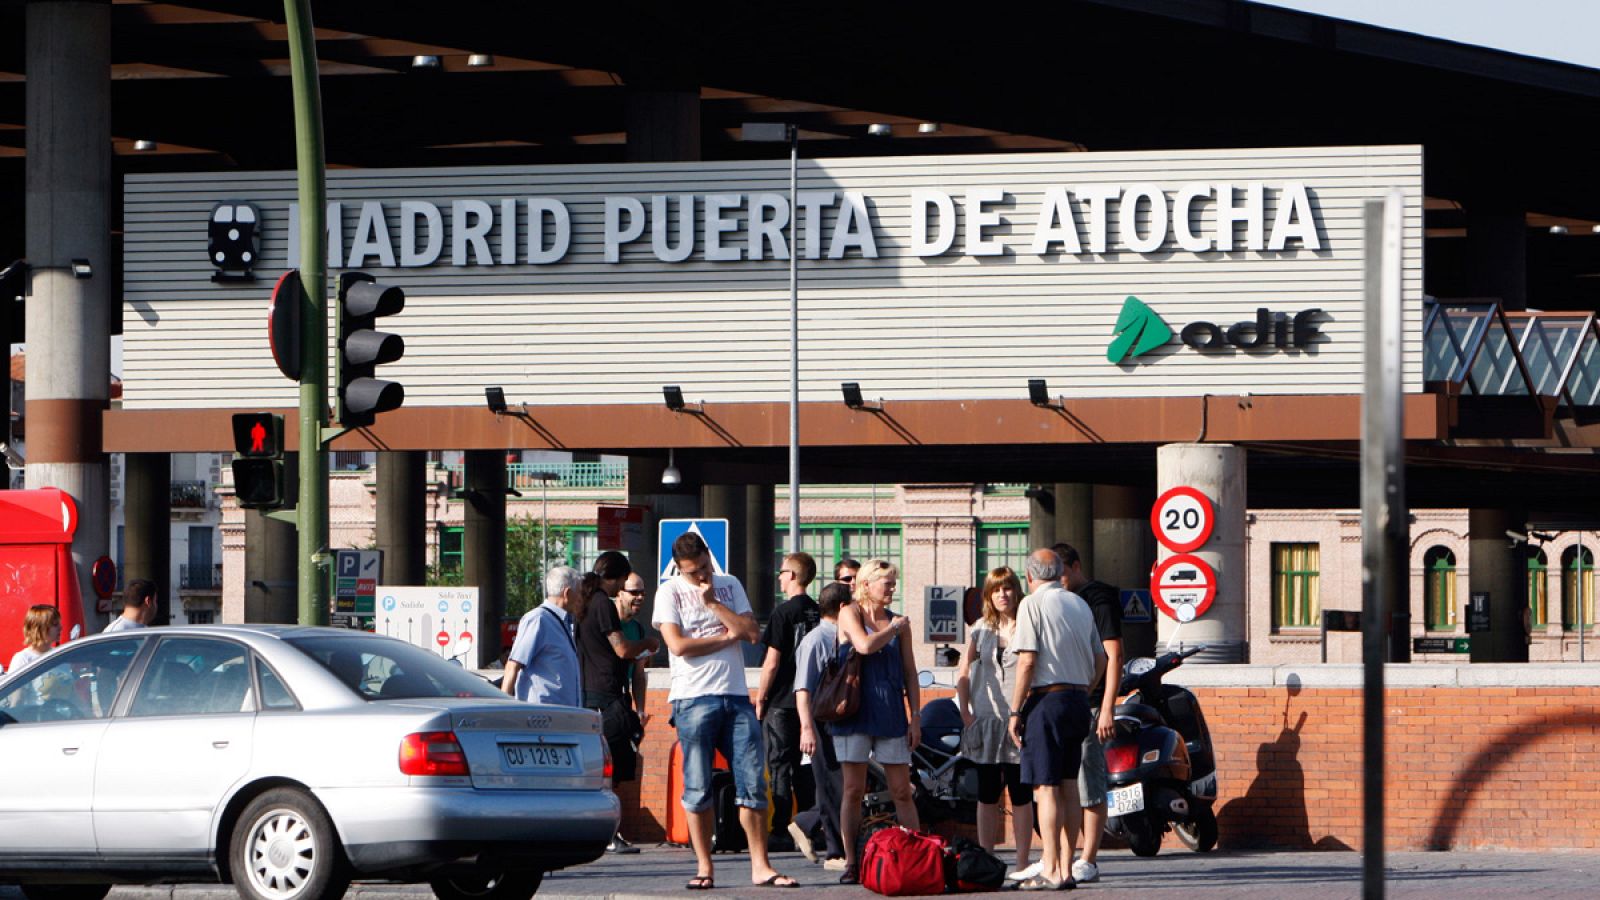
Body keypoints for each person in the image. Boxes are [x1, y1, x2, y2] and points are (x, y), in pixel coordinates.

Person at [652, 531, 797, 890]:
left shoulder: (729, 584)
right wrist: (727, 635)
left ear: (709, 556)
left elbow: (752, 633)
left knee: (753, 784)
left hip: (734, 696)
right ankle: (704, 867)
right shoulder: (668, 590)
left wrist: (715, 604)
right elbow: (678, 645)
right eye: (691, 572)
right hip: (692, 697)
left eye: (703, 567)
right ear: (678, 568)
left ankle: (761, 866)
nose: (700, 577)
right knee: (698, 785)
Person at [1007, 549, 1104, 891]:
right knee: (1068, 786)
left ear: (1030, 576)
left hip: (1047, 699)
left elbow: (1027, 662)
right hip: (1078, 699)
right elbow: (1101, 658)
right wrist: (1083, 687)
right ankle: (1066, 865)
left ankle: (1050, 866)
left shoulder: (1031, 604)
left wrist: (1016, 710)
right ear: (1061, 570)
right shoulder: (1079, 604)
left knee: (1045, 787)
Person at [833, 559, 920, 885]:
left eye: (894, 582)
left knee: (901, 790)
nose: (892, 588)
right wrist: (894, 629)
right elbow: (864, 645)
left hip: (890, 712)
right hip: (854, 711)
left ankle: (914, 853)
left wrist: (916, 717)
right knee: (853, 789)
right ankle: (851, 861)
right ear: (867, 584)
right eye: (887, 582)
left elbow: (910, 671)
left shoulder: (899, 623)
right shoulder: (850, 613)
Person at [956, 567, 1035, 879]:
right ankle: (987, 857)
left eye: (1008, 588)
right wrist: (965, 711)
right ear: (988, 595)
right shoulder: (980, 628)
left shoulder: (1029, 625)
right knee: (987, 791)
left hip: (1021, 719)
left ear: (1017, 591)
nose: (1003, 595)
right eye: (996, 590)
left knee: (1021, 791)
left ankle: (1023, 861)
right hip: (987, 719)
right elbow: (963, 671)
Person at [578, 556, 660, 854]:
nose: (632, 591)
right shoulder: (603, 604)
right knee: (609, 771)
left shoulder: (587, 601)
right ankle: (608, 833)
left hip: (594, 695)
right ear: (616, 580)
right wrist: (648, 644)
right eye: (627, 583)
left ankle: (601, 831)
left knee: (606, 768)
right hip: (606, 697)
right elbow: (623, 649)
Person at [1054, 542, 1124, 885]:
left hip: (1092, 703)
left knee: (1089, 780)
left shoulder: (1098, 599)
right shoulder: (1060, 601)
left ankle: (1089, 859)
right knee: (1064, 781)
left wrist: (1108, 706)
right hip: (1066, 701)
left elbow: (1113, 654)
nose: (1058, 581)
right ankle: (1063, 857)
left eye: (1062, 574)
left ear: (1076, 567)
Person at [758, 551, 821, 853]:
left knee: (780, 765)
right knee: (809, 766)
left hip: (783, 701)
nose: (779, 577)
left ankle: (781, 830)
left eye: (782, 572)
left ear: (793, 576)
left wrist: (760, 697)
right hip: (814, 701)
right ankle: (811, 825)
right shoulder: (820, 612)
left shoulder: (782, 613)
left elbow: (772, 662)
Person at [791, 582, 853, 869]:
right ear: (842, 607)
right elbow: (802, 688)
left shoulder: (845, 636)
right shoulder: (816, 640)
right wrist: (806, 728)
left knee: (843, 785)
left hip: (841, 721)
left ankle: (806, 823)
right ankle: (835, 852)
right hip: (821, 721)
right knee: (831, 786)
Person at [502, 566, 586, 706]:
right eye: (579, 593)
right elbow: (513, 665)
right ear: (567, 593)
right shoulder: (538, 620)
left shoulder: (563, 622)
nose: (580, 598)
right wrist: (502, 710)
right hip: (542, 716)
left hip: (562, 716)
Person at [7, 604, 62, 675]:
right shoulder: (22, 659)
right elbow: (14, 685)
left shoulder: (59, 654)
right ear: (40, 628)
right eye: (55, 624)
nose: (60, 628)